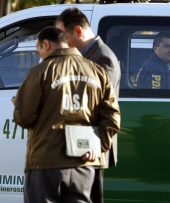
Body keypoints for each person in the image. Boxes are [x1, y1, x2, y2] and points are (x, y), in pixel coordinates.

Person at [13, 26, 120, 203]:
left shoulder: (40, 71)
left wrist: (18, 105)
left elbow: (25, 117)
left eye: (38, 49)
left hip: (46, 163)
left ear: (45, 44)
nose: (39, 54)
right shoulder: (98, 72)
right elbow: (112, 116)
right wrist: (97, 145)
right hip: (85, 165)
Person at [56, 7, 121, 203]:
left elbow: (100, 108)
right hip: (82, 146)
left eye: (62, 35)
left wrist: (94, 144)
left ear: (77, 31)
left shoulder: (102, 58)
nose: (60, 41)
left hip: (90, 148)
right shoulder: (87, 54)